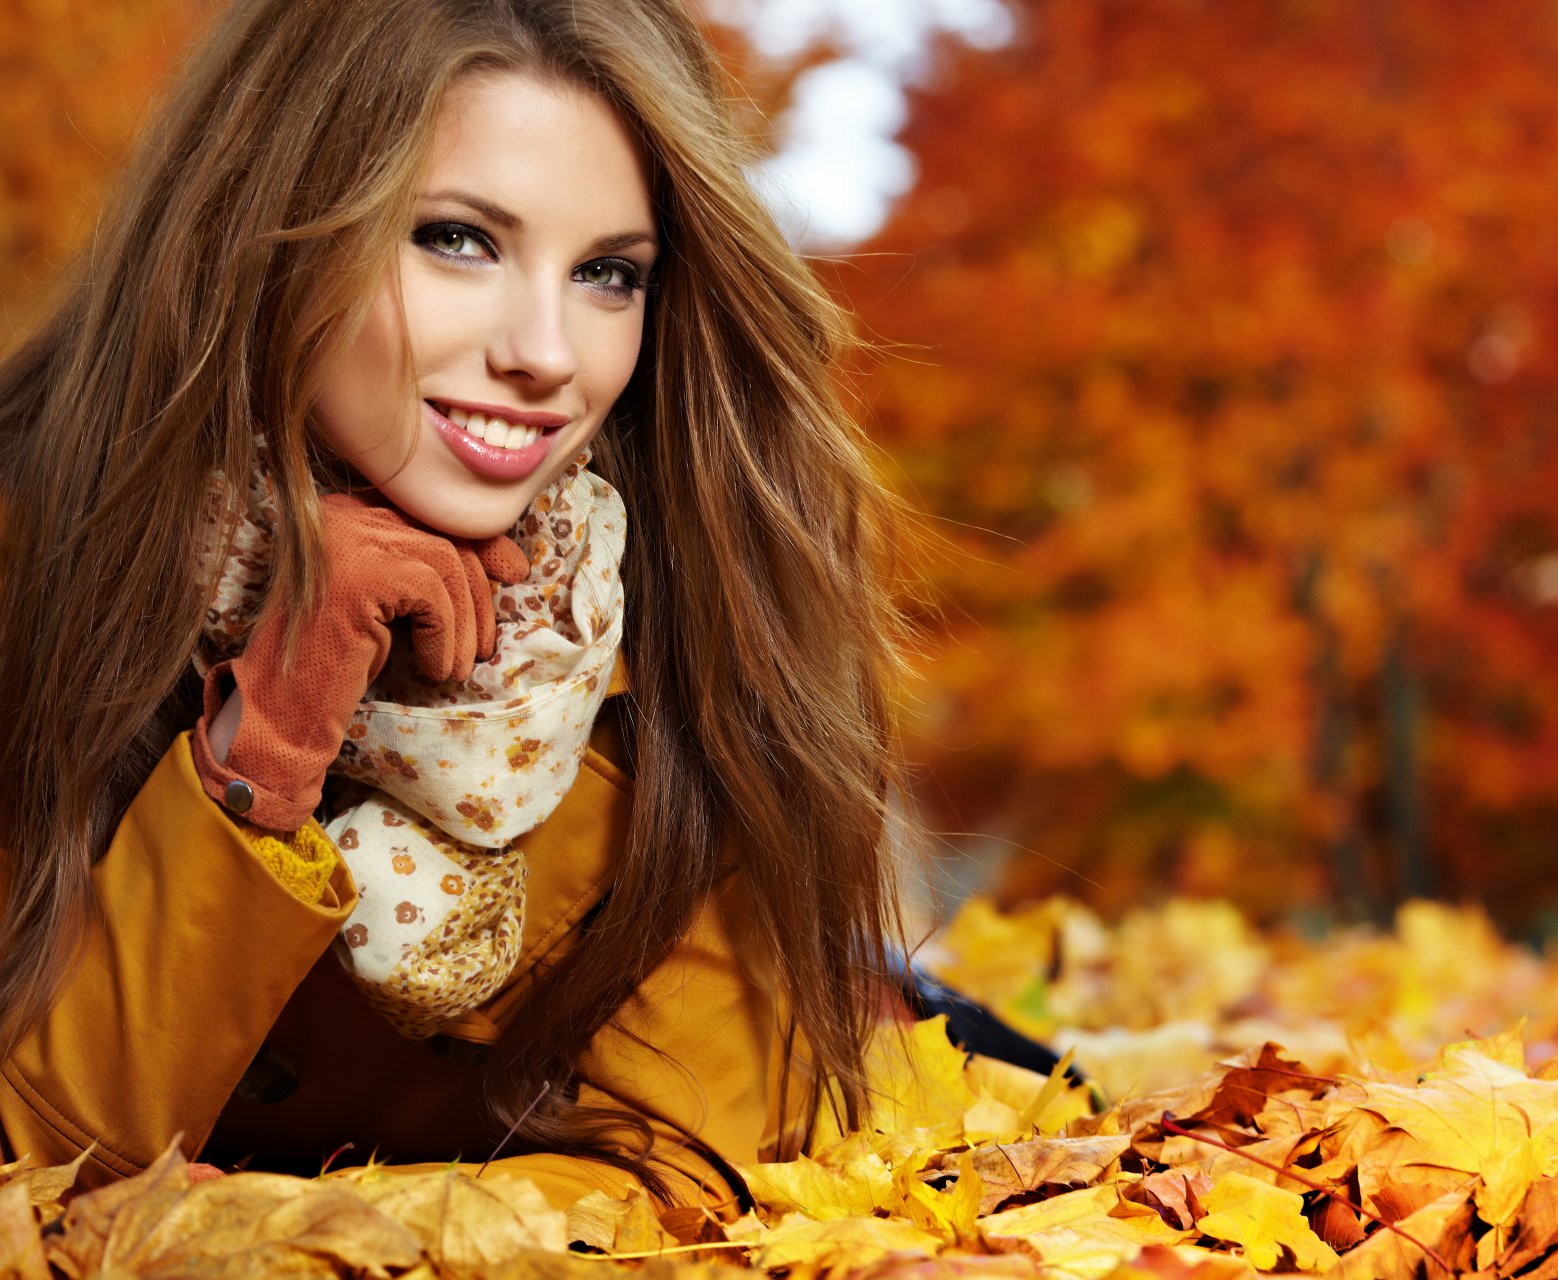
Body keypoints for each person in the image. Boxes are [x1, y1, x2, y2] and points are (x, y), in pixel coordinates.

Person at [0, 0, 913, 1211]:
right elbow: (24, 1167)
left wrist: (252, 1231)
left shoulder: (698, 608)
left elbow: (681, 1177)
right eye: (456, 239)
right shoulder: (33, 548)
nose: (546, 351)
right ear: (266, 232)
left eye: (606, 274)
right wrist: (261, 744)